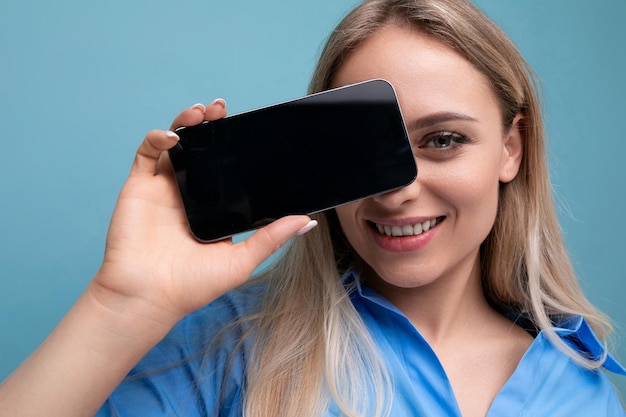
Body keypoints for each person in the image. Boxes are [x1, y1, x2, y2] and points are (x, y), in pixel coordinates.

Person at [1, 0, 624, 415]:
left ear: (510, 149)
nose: (398, 190)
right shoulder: (224, 346)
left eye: (443, 140)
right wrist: (122, 304)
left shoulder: (584, 388)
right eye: (364, 148)